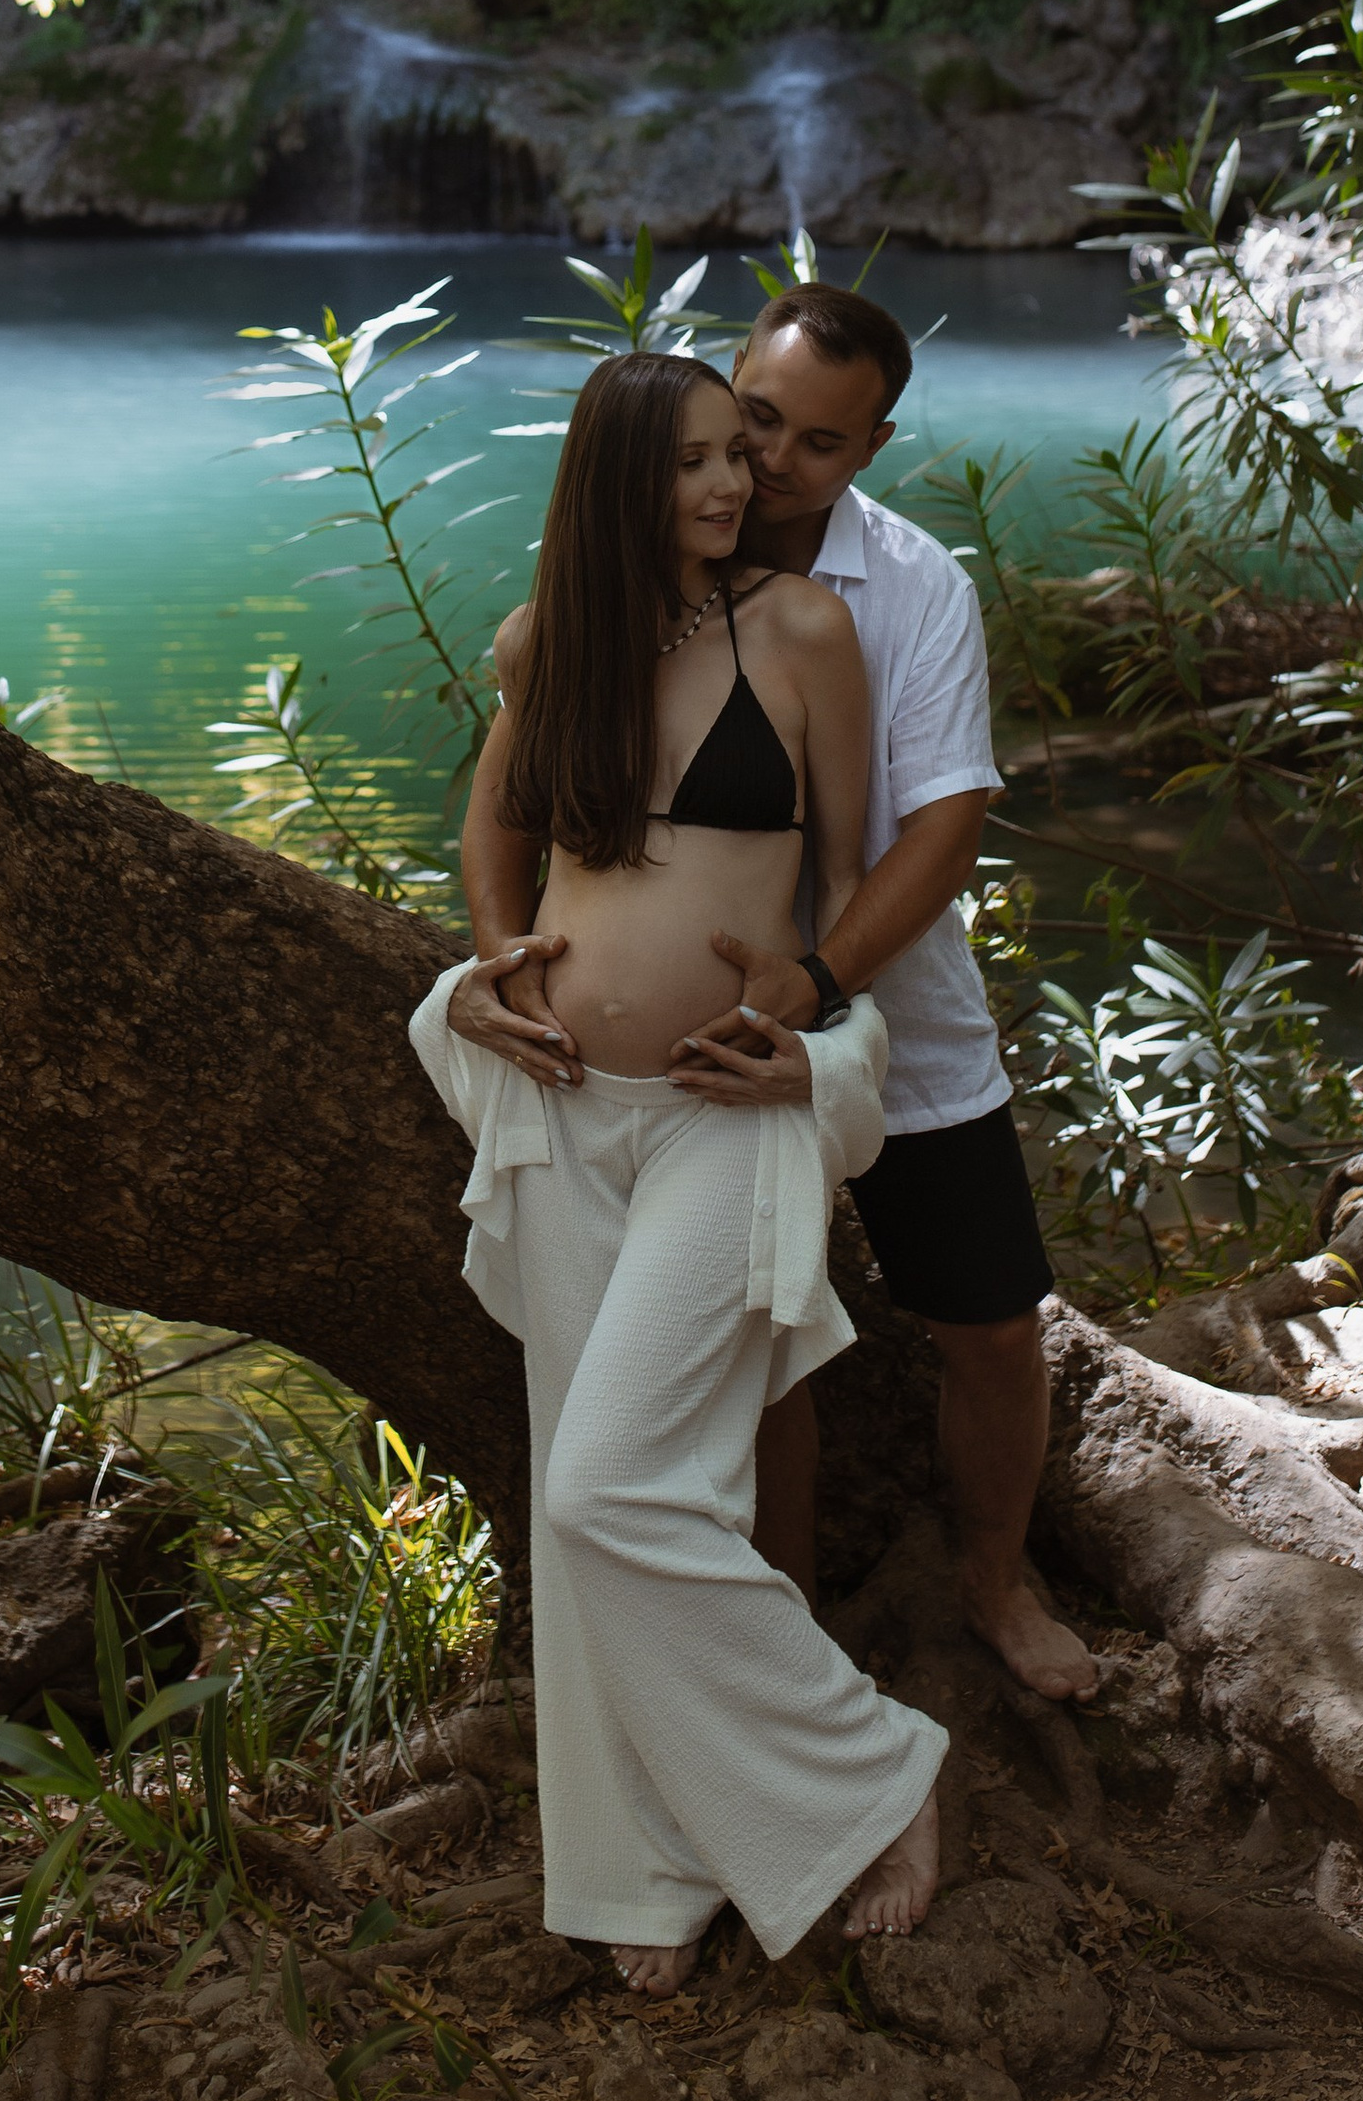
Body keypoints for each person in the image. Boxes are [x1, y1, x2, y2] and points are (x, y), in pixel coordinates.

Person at [454, 281, 1095, 1705]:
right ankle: (778, 1652)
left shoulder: (911, 589)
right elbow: (515, 798)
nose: (766, 467)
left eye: (815, 442)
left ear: (868, 448)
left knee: (989, 1319)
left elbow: (932, 831)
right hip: (687, 1073)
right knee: (766, 1355)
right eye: (751, 423)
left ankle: (993, 1580)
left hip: (884, 1019)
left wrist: (815, 986)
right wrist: (496, 948)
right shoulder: (629, 579)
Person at [413, 351, 947, 1997]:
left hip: (725, 1106)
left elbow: (847, 881)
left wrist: (809, 1006)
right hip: (569, 1114)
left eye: (744, 456)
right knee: (607, 1518)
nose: (736, 486)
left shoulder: (801, 633)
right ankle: (649, 1869)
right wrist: (500, 957)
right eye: (701, 461)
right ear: (620, 479)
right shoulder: (548, 644)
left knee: (608, 1486)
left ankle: (874, 1767)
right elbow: (493, 831)